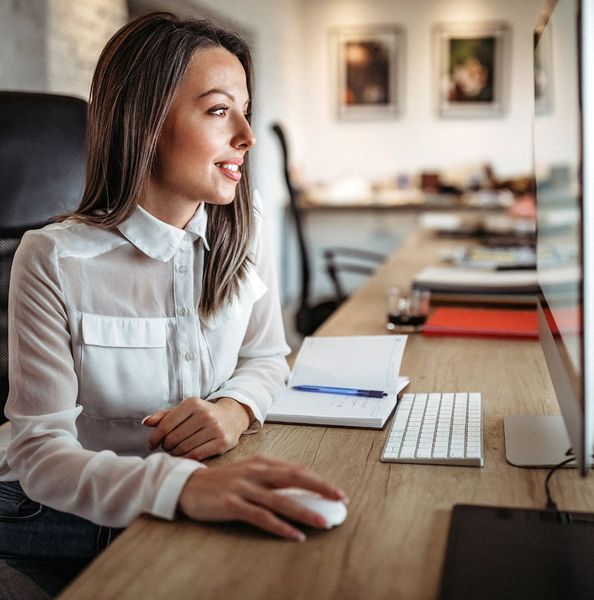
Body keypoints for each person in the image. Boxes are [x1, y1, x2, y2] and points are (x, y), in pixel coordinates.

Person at [0, 13, 345, 599]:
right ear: (147, 122)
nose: (247, 135)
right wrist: (179, 488)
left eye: (245, 110)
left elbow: (267, 357)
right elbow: (39, 454)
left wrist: (235, 410)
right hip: (57, 517)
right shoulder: (52, 258)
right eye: (218, 111)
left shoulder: (246, 226)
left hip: (194, 494)